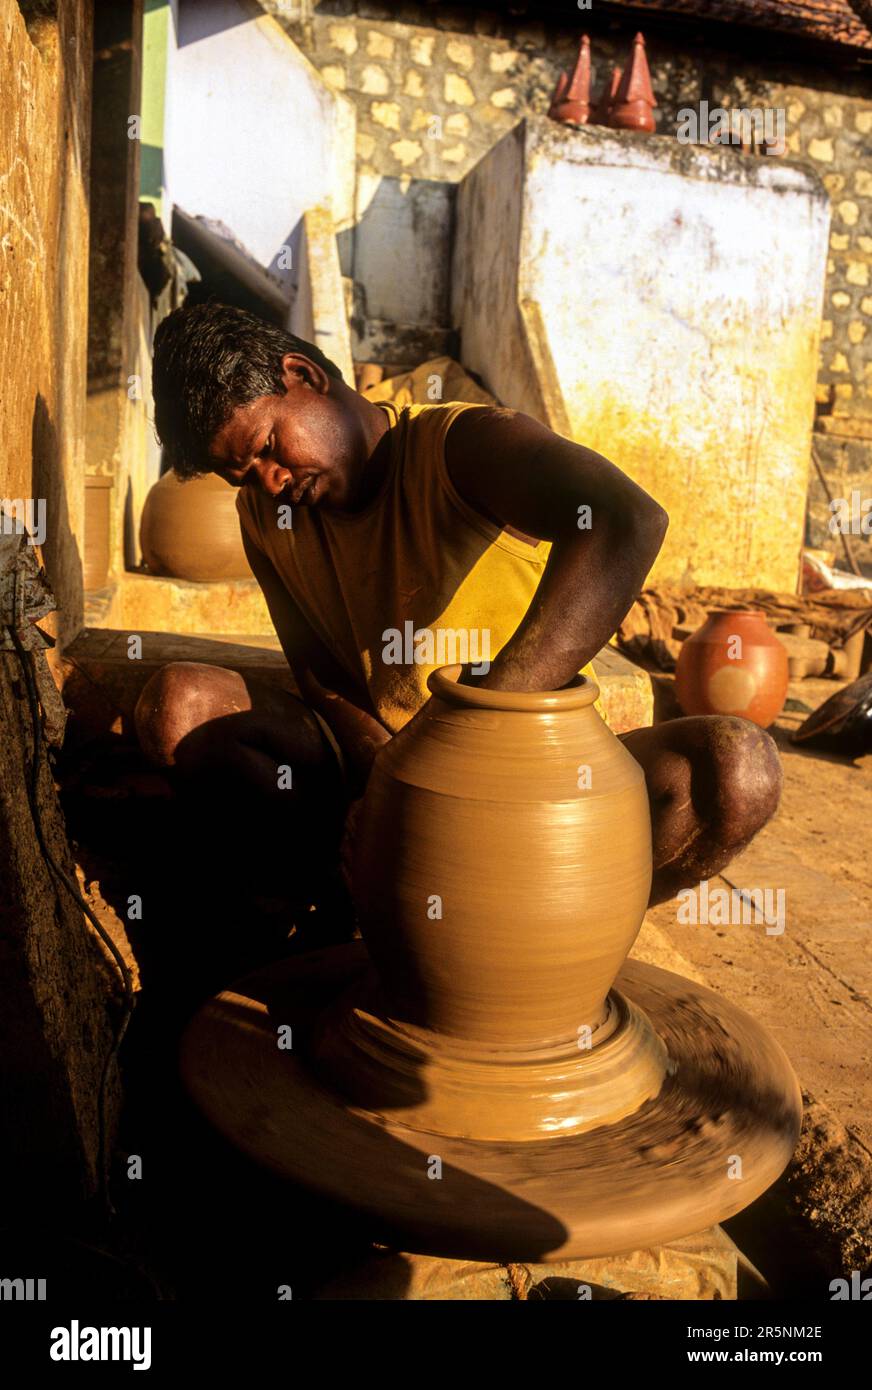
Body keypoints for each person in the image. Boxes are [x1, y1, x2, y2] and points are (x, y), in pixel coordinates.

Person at [137, 302, 781, 923]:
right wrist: (389, 781)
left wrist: (468, 744)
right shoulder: (266, 516)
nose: (270, 481)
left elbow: (629, 520)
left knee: (737, 770)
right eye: (242, 475)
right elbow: (320, 676)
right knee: (182, 706)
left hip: (527, 775)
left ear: (304, 377)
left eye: (269, 446)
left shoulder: (464, 447)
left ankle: (555, 939)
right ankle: (337, 915)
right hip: (376, 769)